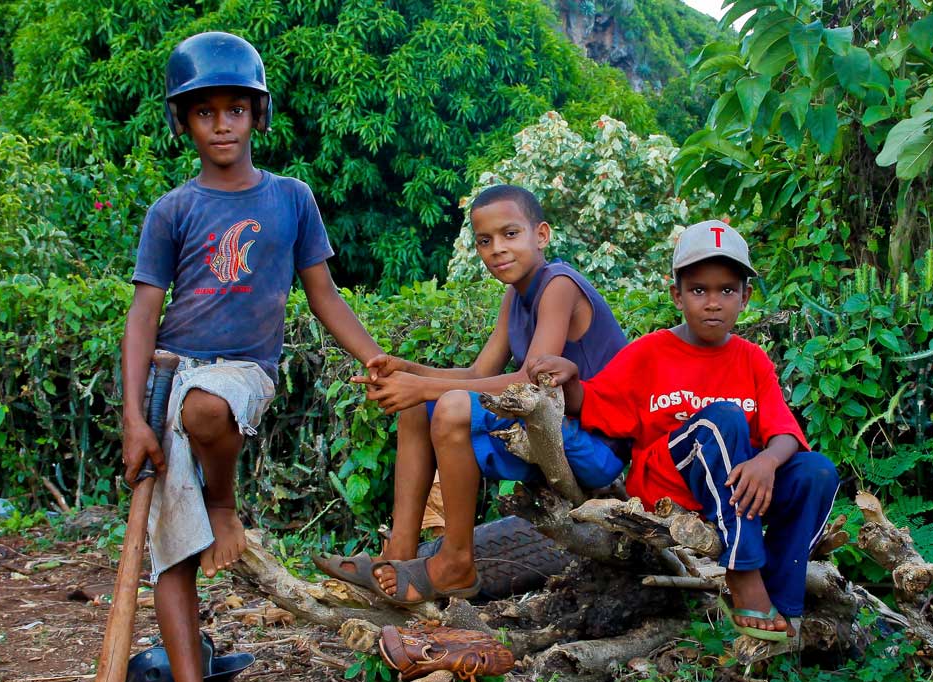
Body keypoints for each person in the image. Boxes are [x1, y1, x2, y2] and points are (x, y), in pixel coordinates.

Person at [121, 32, 384, 682]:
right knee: (171, 555)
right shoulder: (171, 210)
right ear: (186, 125)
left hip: (242, 373)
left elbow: (323, 294)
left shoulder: (290, 198)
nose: (223, 123)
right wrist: (135, 417)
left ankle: (224, 502)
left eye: (236, 108)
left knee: (210, 410)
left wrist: (372, 358)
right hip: (170, 376)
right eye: (206, 113)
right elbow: (144, 316)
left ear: (257, 114)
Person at [527, 220, 839, 647]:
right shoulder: (650, 352)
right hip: (670, 484)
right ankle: (744, 572)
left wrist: (767, 461)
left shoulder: (751, 360)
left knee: (816, 470)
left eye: (727, 290)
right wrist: (573, 379)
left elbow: (784, 431)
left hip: (737, 492)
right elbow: (597, 405)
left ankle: (783, 599)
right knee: (723, 418)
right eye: (699, 290)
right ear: (677, 294)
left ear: (745, 297)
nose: (713, 303)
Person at [314, 184, 627, 603]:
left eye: (510, 234)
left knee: (449, 404)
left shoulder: (560, 285)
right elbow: (480, 372)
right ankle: (401, 551)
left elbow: (532, 386)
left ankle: (456, 563)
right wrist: (409, 371)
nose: (497, 248)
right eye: (484, 241)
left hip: (597, 447)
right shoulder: (514, 298)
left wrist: (424, 386)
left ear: (542, 235)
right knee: (419, 408)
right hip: (552, 434)